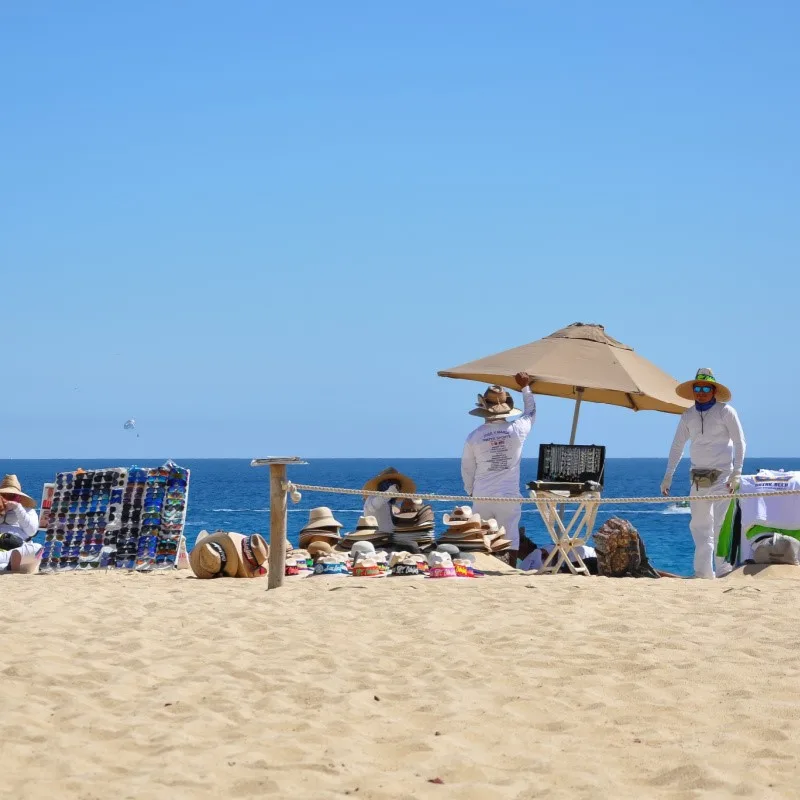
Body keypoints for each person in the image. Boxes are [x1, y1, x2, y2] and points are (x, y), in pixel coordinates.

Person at [661, 368, 745, 579]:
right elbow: (677, 446)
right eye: (697, 387)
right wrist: (668, 475)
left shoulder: (726, 412)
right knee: (699, 527)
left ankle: (724, 570)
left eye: (705, 388)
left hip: (723, 478)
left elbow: (739, 442)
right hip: (697, 479)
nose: (701, 391)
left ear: (714, 390)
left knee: (721, 525)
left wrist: (737, 472)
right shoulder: (687, 415)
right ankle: (703, 573)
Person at [461, 372, 536, 565]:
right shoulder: (517, 430)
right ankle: (509, 571)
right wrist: (525, 387)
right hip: (508, 496)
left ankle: (484, 571)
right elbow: (531, 412)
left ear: (484, 408)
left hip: (482, 495)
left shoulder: (474, 436)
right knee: (510, 537)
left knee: (482, 538)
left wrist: (471, 491)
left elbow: (468, 469)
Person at [0, 474, 42, 573]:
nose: (8, 498)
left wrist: (17, 508)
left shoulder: (28, 511)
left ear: (18, 496)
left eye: (11, 495)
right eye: (4, 495)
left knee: (38, 548)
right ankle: (7, 566)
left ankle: (8, 564)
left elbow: (31, 531)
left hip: (20, 547)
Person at [362, 467, 417, 534]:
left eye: (397, 485)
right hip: (375, 539)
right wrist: (389, 492)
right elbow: (373, 506)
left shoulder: (393, 503)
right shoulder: (372, 498)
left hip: (390, 539)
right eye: (391, 483)